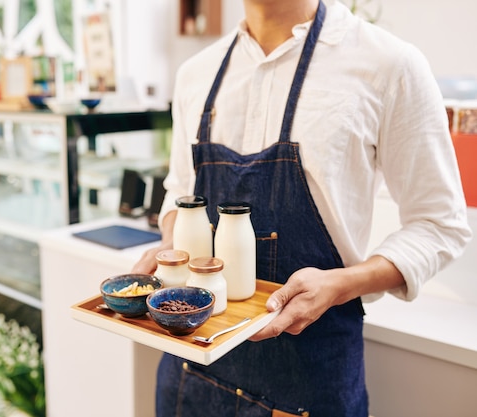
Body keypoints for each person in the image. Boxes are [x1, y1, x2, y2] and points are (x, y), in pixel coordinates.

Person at [131, 0, 472, 416]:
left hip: (308, 385)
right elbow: (180, 191)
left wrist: (340, 284)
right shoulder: (195, 74)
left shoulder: (389, 65)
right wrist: (171, 247)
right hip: (192, 376)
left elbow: (440, 225)